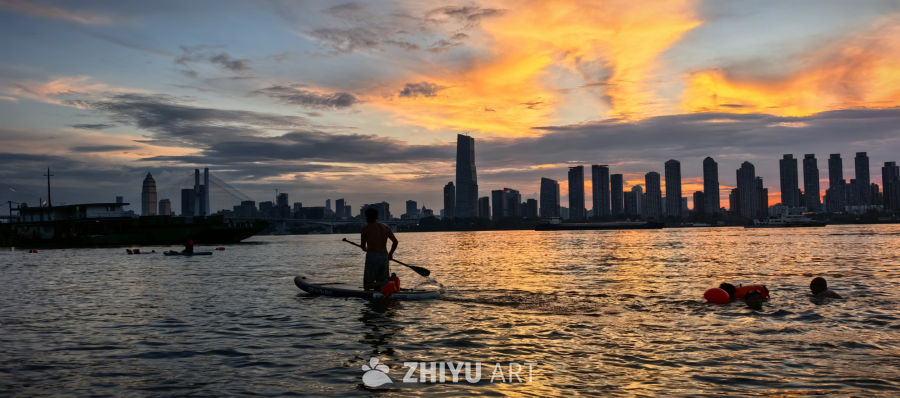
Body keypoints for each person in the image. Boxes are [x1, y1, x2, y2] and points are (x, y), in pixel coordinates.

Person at [360, 208, 398, 290]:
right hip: (384, 256)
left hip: (372, 256)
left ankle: (386, 282)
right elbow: (395, 242)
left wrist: (366, 249)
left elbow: (363, 246)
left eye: (366, 217)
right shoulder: (386, 227)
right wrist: (390, 254)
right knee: (380, 286)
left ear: (367, 217)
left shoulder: (365, 228)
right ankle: (384, 283)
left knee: (367, 285)